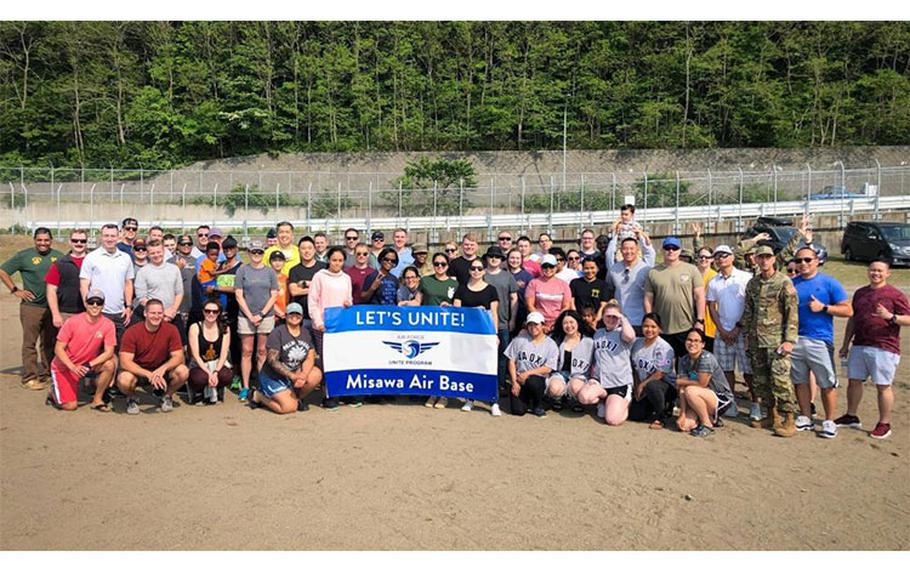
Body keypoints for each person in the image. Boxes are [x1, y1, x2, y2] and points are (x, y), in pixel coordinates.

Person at [837, 259, 910, 440]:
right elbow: (852, 320)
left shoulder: (895, 295)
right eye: (872, 270)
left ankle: (884, 423)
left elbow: (908, 318)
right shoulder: (861, 293)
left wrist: (890, 317)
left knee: (883, 386)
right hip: (860, 344)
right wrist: (846, 344)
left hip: (884, 347)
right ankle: (851, 415)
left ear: (887, 273)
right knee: (854, 381)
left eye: (879, 271)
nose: (875, 274)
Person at [789, 244, 852, 438]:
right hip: (795, 339)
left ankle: (829, 421)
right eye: (799, 260)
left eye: (808, 260)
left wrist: (824, 308)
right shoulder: (791, 283)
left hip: (820, 340)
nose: (803, 264)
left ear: (817, 261)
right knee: (800, 382)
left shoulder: (829, 283)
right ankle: (806, 417)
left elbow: (848, 310)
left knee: (827, 383)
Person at [741, 245, 799, 437]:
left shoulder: (783, 282)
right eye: (761, 257)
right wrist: (748, 336)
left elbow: (792, 313)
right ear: (755, 260)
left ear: (774, 259)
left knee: (781, 380)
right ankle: (771, 415)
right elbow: (749, 312)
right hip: (757, 341)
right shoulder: (753, 284)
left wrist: (790, 340)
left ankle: (789, 419)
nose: (764, 261)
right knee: (761, 381)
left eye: (768, 257)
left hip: (777, 342)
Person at [0, 227, 63, 391]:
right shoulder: (24, 256)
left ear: (51, 240)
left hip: (52, 307)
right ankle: (30, 377)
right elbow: (3, 270)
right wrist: (15, 290)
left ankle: (47, 374)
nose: (43, 243)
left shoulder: (59, 256)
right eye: (39, 240)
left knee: (49, 342)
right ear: (34, 240)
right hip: (31, 307)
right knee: (30, 343)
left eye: (46, 240)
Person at [706, 244, 758, 420]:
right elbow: (712, 307)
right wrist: (721, 329)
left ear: (732, 257)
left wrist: (738, 328)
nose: (722, 258)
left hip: (743, 332)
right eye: (718, 256)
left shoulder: (745, 278)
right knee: (726, 370)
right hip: (723, 332)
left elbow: (750, 306)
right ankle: (730, 402)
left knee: (748, 371)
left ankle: (755, 403)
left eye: (725, 255)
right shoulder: (714, 282)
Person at [47, 289, 117, 412]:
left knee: (110, 364)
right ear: (85, 303)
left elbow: (109, 352)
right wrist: (72, 367)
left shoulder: (108, 324)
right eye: (91, 302)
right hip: (65, 366)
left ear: (103, 305)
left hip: (86, 365)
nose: (95, 306)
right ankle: (53, 392)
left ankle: (97, 399)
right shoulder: (72, 322)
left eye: (98, 302)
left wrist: (89, 364)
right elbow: (58, 348)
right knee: (70, 406)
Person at [117, 299, 190, 414]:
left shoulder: (171, 330)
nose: (156, 316)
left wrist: (162, 369)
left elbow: (178, 356)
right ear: (145, 313)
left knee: (183, 371)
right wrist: (148, 374)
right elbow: (125, 362)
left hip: (161, 371)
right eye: (152, 313)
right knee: (124, 379)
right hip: (138, 371)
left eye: (159, 313)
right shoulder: (132, 332)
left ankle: (167, 396)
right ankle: (131, 397)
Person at [249, 302, 322, 414]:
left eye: (298, 314)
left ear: (302, 316)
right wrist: (292, 376)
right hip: (273, 376)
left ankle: (297, 398)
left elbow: (310, 356)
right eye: (291, 314)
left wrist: (304, 375)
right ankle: (259, 396)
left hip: (295, 373)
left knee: (316, 374)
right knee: (289, 408)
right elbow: (272, 361)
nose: (294, 317)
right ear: (286, 315)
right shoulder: (277, 333)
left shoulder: (305, 333)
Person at [643, 235, 706, 360]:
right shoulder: (653, 272)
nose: (671, 251)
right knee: (663, 365)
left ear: (680, 250)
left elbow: (699, 296)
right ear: (662, 250)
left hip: (686, 326)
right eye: (667, 248)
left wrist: (700, 320)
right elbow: (648, 298)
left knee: (687, 362)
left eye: (674, 248)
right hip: (662, 328)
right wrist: (650, 322)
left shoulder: (691, 270)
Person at [308, 247, 354, 410]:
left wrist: (349, 303)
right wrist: (318, 321)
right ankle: (327, 395)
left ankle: (341, 392)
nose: (337, 263)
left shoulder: (346, 278)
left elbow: (349, 298)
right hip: (323, 326)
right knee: (327, 362)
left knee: (342, 359)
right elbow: (312, 301)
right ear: (329, 260)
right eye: (334, 260)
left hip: (341, 326)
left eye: (340, 260)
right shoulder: (319, 276)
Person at [454, 257, 501, 415]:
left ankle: (493, 401)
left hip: (485, 334)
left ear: (484, 271)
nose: (476, 271)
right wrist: (475, 310)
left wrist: (495, 334)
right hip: (467, 335)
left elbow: (494, 314)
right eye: (473, 268)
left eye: (479, 268)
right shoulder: (461, 289)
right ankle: (470, 399)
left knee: (489, 367)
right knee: (470, 366)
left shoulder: (491, 290)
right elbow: (457, 312)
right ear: (469, 270)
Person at [234, 240, 279, 402]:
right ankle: (246, 386)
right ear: (249, 253)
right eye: (254, 252)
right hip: (246, 316)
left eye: (259, 252)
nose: (257, 255)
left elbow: (274, 294)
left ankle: (262, 385)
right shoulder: (242, 271)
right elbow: (239, 294)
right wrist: (250, 315)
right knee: (246, 351)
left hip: (265, 316)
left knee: (262, 352)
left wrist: (261, 314)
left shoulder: (270, 272)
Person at [577, 301, 636, 425]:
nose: (611, 319)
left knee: (612, 420)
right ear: (602, 317)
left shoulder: (622, 332)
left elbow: (630, 336)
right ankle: (604, 399)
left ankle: (625, 402)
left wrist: (622, 318)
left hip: (619, 382)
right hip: (601, 381)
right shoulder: (599, 333)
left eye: (615, 316)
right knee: (584, 397)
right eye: (608, 316)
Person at [80, 223, 135, 342]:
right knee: (97, 349)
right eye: (106, 236)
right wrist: (88, 306)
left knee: (119, 349)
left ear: (118, 236)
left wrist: (128, 306)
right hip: (99, 311)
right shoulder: (91, 257)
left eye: (112, 236)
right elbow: (84, 284)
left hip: (120, 313)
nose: (109, 239)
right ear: (101, 236)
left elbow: (128, 283)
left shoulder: (125, 258)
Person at [676, 328, 735, 437]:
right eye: (689, 340)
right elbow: (682, 389)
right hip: (699, 395)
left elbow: (702, 383)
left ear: (703, 344)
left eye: (696, 341)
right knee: (684, 425)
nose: (692, 343)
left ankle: (707, 424)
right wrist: (682, 414)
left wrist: (679, 381)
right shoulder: (684, 360)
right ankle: (711, 418)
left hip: (720, 397)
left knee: (690, 390)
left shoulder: (706, 358)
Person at [628, 312, 677, 429]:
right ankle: (653, 405)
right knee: (635, 415)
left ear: (660, 328)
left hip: (665, 387)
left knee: (652, 386)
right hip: (644, 385)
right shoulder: (636, 343)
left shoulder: (665, 348)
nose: (649, 330)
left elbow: (660, 373)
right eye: (646, 326)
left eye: (653, 327)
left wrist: (642, 385)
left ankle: (661, 417)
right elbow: (634, 368)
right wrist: (637, 385)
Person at [505, 312, 559, 417]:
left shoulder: (551, 345)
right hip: (519, 379)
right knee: (518, 411)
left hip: (538, 380)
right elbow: (511, 361)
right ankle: (526, 400)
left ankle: (538, 404)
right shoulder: (520, 339)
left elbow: (548, 368)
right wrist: (514, 381)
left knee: (533, 381)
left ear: (543, 325)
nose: (533, 327)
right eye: (530, 325)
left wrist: (527, 373)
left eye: (536, 324)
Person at [483, 246, 519, 395]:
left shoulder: (507, 276)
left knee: (503, 355)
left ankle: (501, 384)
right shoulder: (481, 274)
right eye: (491, 256)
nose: (493, 259)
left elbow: (514, 298)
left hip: (503, 321)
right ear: (486, 258)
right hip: (484, 322)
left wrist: (512, 319)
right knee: (485, 354)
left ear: (501, 260)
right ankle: (485, 382)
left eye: (497, 257)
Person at [545, 310, 595, 413]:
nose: (569, 326)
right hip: (559, 374)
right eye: (565, 323)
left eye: (571, 322)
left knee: (575, 387)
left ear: (577, 322)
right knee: (554, 388)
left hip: (579, 375)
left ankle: (575, 399)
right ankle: (558, 398)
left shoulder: (589, 342)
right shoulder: (556, 339)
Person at [606, 234, 656, 335]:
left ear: (637, 249)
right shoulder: (613, 269)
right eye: (625, 249)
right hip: (619, 321)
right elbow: (610, 290)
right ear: (621, 250)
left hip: (639, 320)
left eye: (632, 248)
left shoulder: (646, 269)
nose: (629, 252)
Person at [187, 300, 233, 404]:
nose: (211, 314)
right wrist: (209, 373)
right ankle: (198, 391)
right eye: (207, 311)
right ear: (203, 312)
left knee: (227, 375)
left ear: (219, 313)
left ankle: (219, 387)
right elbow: (195, 355)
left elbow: (224, 353)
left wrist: (215, 372)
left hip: (217, 362)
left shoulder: (225, 328)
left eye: (214, 311)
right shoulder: (195, 327)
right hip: (199, 364)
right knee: (200, 378)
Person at [46, 228, 89, 329]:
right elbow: (51, 290)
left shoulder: (94, 261)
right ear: (70, 241)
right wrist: (56, 314)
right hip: (65, 313)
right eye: (75, 240)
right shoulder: (60, 263)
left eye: (83, 241)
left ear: (87, 242)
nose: (79, 243)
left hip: (89, 312)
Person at [133, 239, 183, 325]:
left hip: (172, 314)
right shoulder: (142, 272)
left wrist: (173, 310)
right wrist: (161, 313)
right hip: (153, 317)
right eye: (152, 253)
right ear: (148, 254)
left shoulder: (174, 269)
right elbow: (142, 298)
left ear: (163, 251)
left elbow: (179, 293)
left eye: (158, 252)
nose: (156, 255)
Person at [525, 254, 572, 334]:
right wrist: (541, 323)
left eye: (551, 266)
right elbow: (530, 305)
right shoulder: (533, 283)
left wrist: (557, 322)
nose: (548, 269)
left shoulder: (564, 284)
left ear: (556, 267)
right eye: (545, 266)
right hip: (538, 324)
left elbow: (566, 306)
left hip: (559, 323)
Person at [288, 236, 327, 331]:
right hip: (302, 317)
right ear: (299, 251)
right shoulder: (294, 270)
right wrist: (316, 288)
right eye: (303, 248)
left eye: (309, 248)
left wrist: (305, 284)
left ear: (314, 250)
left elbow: (326, 288)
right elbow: (294, 291)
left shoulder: (324, 267)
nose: (307, 251)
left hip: (321, 316)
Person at [570, 257, 610, 324]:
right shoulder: (575, 283)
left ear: (597, 269)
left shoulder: (603, 285)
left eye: (592, 268)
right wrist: (577, 318)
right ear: (582, 268)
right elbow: (572, 302)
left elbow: (603, 305)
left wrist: (596, 320)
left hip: (597, 321)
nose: (589, 271)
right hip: (579, 321)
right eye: (586, 268)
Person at [507, 248, 534, 337]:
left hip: (522, 314)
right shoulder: (503, 274)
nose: (515, 260)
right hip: (505, 314)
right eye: (512, 258)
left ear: (521, 260)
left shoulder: (528, 277)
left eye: (517, 258)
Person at [269, 251, 289, 323]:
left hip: (286, 314)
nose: (277, 263)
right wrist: (279, 313)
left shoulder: (287, 278)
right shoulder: (267, 278)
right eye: (274, 260)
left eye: (280, 260)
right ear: (270, 262)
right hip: (272, 315)